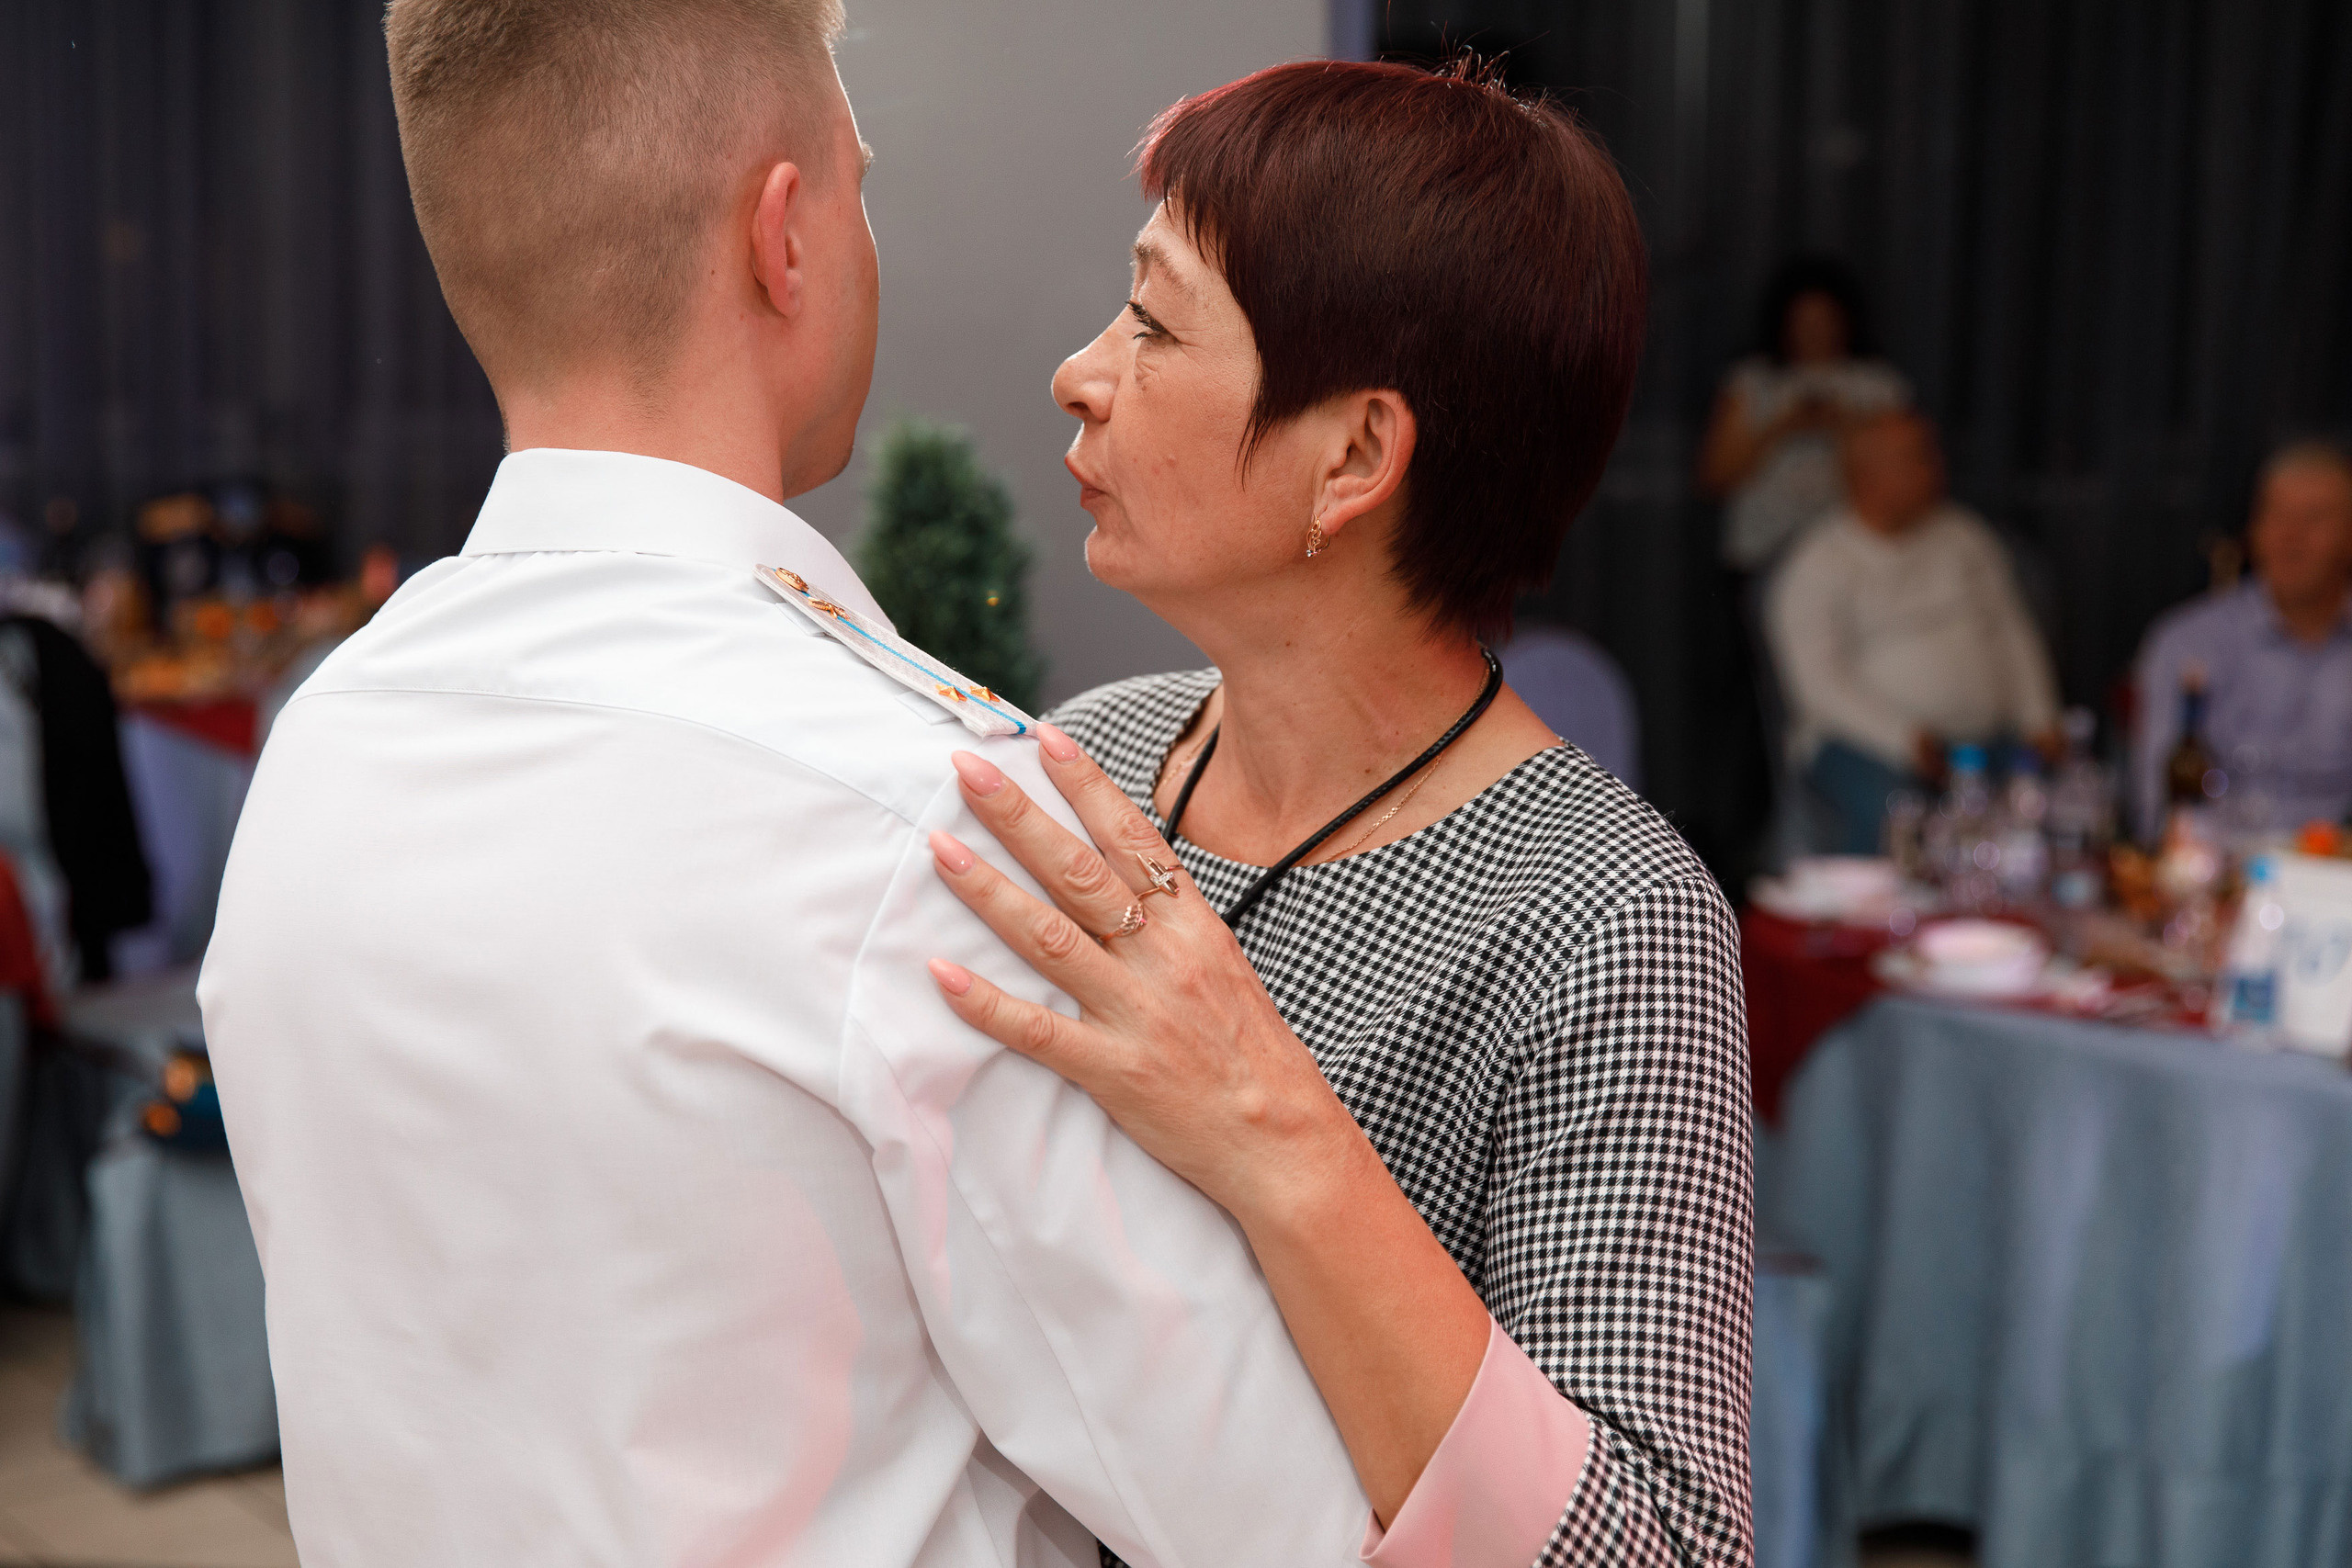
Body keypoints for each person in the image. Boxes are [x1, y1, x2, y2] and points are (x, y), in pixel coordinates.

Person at [200, 4, 1380, 1563]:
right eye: (859, 181)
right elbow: (1274, 1519)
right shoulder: (933, 817)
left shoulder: (317, 747)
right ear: (787, 238)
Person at [922, 62, 1753, 1568]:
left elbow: (1658, 1550)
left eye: (1156, 323)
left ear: (1355, 456)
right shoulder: (1083, 769)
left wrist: (1269, 1124)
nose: (1079, 372)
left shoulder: (1608, 920)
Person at [1767, 410, 2061, 854]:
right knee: (1892, 811)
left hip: (1986, 743)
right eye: (1915, 458)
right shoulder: (1817, 563)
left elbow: (2011, 634)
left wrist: (2040, 719)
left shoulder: (1965, 537)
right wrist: (1905, 739)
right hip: (1867, 747)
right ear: (1864, 475)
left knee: (2062, 803)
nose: (1934, 468)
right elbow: (1818, 686)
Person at [2132, 439, 2352, 841]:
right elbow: (2160, 810)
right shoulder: (2187, 641)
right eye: (2277, 516)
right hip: (2217, 876)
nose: (2292, 538)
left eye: (2315, 519)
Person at [1701, 254, 1911, 572]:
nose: (1814, 332)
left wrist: (1845, 426)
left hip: (1853, 556)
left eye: (1825, 320)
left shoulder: (1878, 386)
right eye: (1803, 321)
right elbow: (1714, 477)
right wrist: (1782, 426)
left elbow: (1904, 480)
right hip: (1765, 552)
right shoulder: (1752, 380)